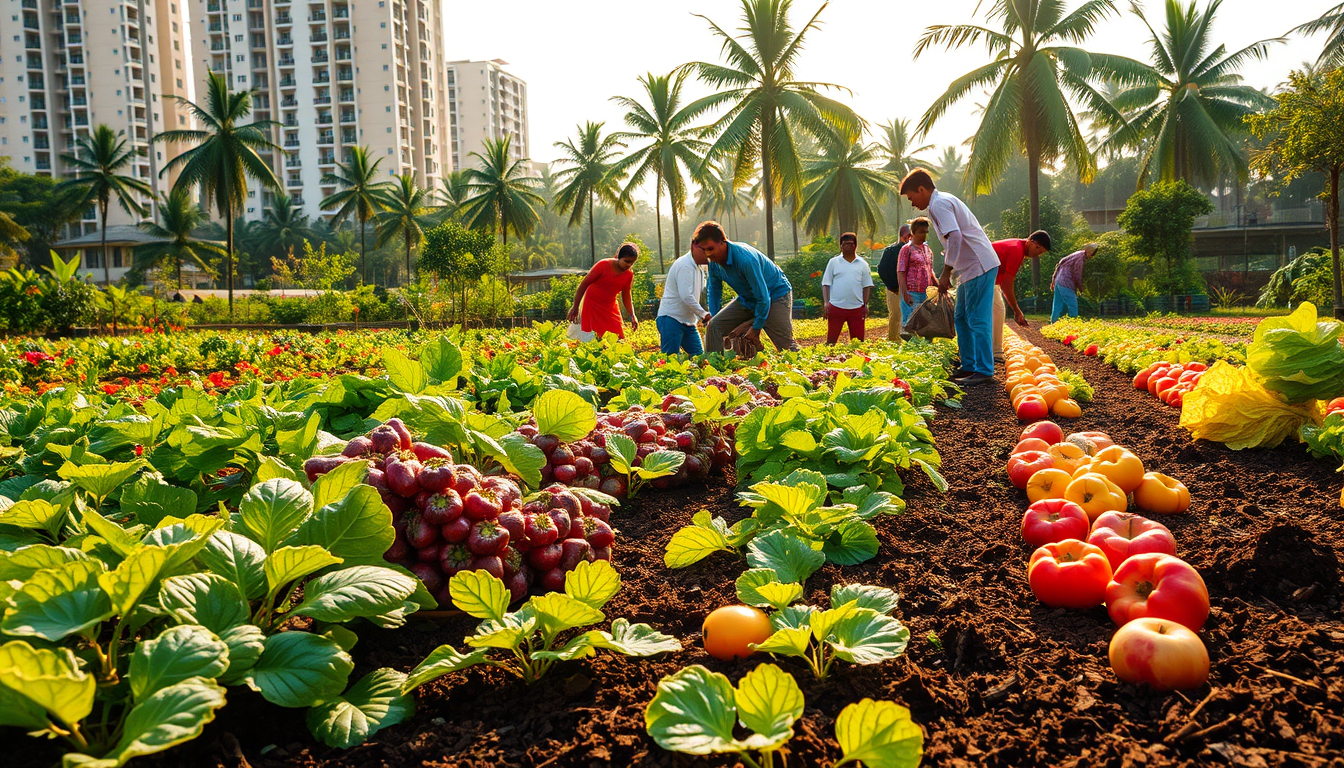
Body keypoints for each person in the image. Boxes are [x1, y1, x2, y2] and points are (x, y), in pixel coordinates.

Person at [899, 168, 1000, 385]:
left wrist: (946, 271)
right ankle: (969, 365)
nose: (912, 203)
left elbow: (955, 236)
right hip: (968, 269)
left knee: (976, 318)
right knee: (961, 318)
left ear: (921, 189)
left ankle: (984, 370)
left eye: (911, 197)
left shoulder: (939, 203)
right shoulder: (939, 203)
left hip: (978, 265)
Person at [696, 220, 799, 354]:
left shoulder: (745, 260)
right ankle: (714, 363)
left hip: (775, 295)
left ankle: (799, 361)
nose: (708, 254)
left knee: (785, 346)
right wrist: (716, 318)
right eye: (704, 250)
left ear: (722, 241)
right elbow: (714, 292)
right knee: (714, 326)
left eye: (710, 249)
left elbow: (763, 297)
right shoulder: (714, 264)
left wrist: (756, 328)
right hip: (748, 298)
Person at [991, 230, 1052, 361]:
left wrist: (1016, 310)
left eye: (1040, 253)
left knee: (997, 310)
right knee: (997, 311)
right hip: (980, 274)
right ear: (1031, 241)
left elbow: (1004, 282)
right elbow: (1007, 285)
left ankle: (993, 350)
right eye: (1038, 249)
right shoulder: (1016, 250)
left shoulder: (1017, 246)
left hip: (988, 278)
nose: (1036, 254)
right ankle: (993, 352)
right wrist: (1016, 309)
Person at [567, 243, 640, 340]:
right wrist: (575, 307)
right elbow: (584, 284)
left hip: (609, 306)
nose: (629, 265)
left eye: (632, 263)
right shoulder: (603, 265)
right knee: (595, 336)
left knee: (617, 337)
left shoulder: (628, 275)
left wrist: (632, 315)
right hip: (592, 304)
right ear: (619, 257)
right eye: (626, 261)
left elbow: (626, 296)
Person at [656, 243, 711, 355]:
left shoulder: (699, 268)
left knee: (698, 356)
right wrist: (704, 314)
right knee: (671, 358)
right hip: (672, 319)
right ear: (695, 247)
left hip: (688, 322)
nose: (710, 254)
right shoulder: (685, 265)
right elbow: (686, 295)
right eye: (707, 250)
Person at [821, 232, 874, 344]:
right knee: (831, 341)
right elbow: (826, 284)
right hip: (836, 307)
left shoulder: (863, 264)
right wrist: (826, 303)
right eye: (845, 244)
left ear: (855, 246)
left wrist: (865, 304)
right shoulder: (833, 262)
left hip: (857, 308)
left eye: (850, 244)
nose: (848, 246)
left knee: (858, 342)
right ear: (840, 246)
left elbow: (866, 286)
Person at [896, 218, 936, 331]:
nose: (924, 235)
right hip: (912, 293)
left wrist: (939, 286)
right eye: (921, 232)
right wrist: (905, 294)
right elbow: (901, 272)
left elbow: (930, 271)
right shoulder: (906, 249)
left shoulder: (927, 250)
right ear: (913, 232)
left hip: (926, 293)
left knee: (925, 327)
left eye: (926, 232)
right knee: (910, 326)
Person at [877, 224, 912, 339]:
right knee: (896, 315)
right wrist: (892, 286)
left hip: (912, 290)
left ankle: (910, 342)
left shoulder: (916, 251)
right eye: (909, 235)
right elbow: (882, 269)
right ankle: (894, 340)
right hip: (895, 290)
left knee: (912, 316)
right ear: (903, 236)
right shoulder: (891, 251)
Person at [1051, 242, 1099, 323]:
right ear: (1089, 251)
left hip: (1058, 280)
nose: (1092, 256)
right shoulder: (1080, 259)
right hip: (1066, 282)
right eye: (1092, 254)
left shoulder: (1076, 254)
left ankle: (1054, 323)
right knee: (1073, 306)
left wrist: (1053, 280)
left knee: (1057, 305)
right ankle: (1073, 324)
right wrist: (1080, 288)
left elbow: (1060, 263)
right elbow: (1077, 274)